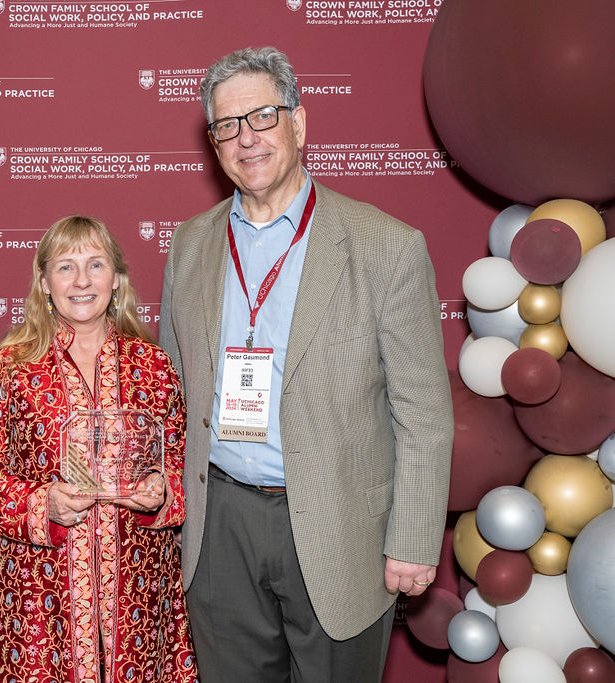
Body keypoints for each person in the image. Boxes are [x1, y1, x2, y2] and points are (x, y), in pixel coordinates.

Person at [159, 47, 453, 682]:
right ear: (213, 143)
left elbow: (423, 414)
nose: (246, 138)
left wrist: (412, 539)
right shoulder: (189, 244)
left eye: (262, 117)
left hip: (338, 523)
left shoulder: (385, 246)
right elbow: (171, 389)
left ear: (298, 123)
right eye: (226, 126)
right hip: (221, 525)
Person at [0, 215, 198, 683]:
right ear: (44, 281)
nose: (83, 281)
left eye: (96, 264)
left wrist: (161, 494)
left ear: (117, 278)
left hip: (138, 586)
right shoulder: (8, 367)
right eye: (66, 267)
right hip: (37, 590)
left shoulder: (154, 365)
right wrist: (40, 502)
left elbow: (184, 468)